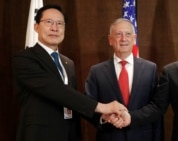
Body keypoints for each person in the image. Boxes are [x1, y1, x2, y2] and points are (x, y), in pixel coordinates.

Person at [12, 5, 127, 141]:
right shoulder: (24, 58)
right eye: (48, 22)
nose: (55, 28)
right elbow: (56, 90)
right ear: (36, 27)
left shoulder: (68, 63)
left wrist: (101, 117)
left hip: (71, 134)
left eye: (60, 23)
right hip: (40, 135)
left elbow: (72, 100)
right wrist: (101, 107)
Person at [85, 18, 164, 141]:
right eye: (118, 34)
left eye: (128, 34)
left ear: (134, 39)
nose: (123, 39)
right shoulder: (96, 72)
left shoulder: (150, 69)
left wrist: (132, 117)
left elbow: (156, 106)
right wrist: (104, 117)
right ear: (110, 40)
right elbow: (88, 105)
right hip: (109, 136)